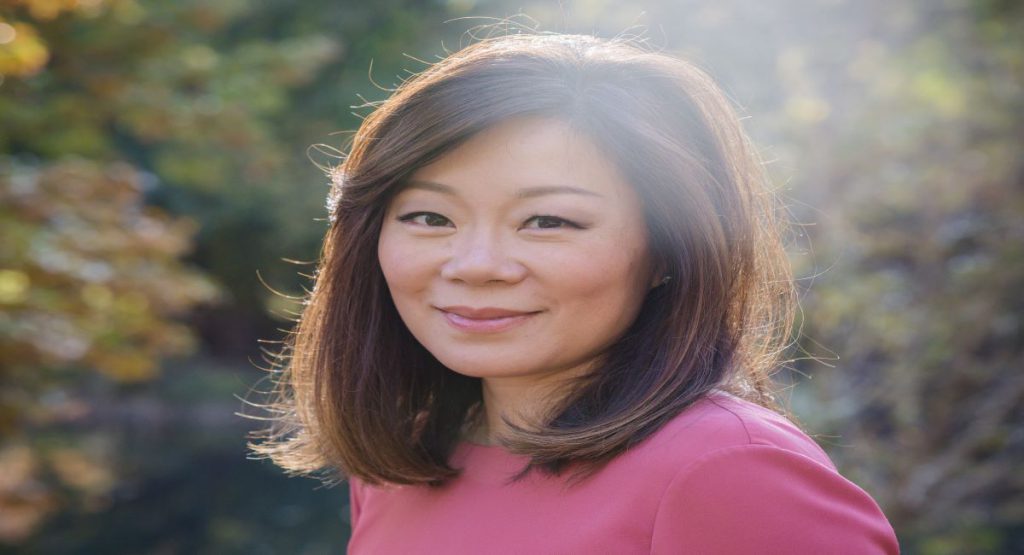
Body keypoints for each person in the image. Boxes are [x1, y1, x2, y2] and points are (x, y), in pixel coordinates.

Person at [250, 33, 900, 553]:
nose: (476, 265)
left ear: (670, 250)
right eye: (430, 217)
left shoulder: (729, 472)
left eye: (549, 221)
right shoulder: (406, 460)